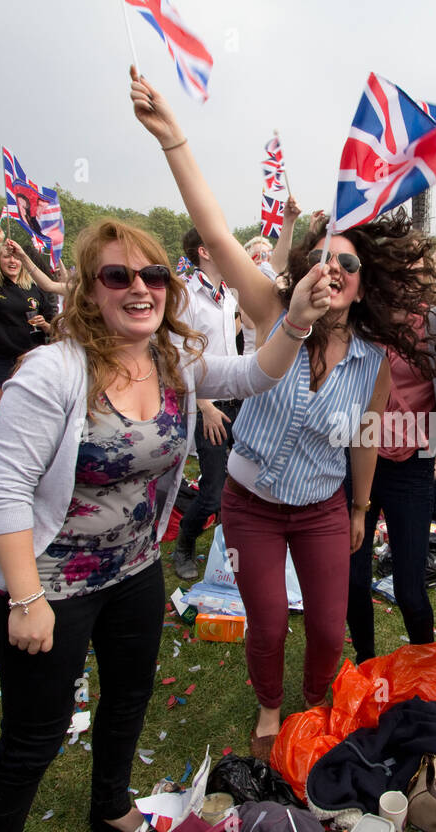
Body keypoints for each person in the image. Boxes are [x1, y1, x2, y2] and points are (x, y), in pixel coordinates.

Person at [0, 217, 332, 832]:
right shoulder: (51, 374)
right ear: (89, 289)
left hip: (134, 571)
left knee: (130, 696)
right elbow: (6, 492)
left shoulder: (173, 361)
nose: (139, 288)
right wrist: (24, 599)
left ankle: (110, 800)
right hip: (51, 583)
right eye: (118, 275)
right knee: (36, 734)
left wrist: (297, 320)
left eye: (152, 274)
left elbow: (255, 374)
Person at [130, 65, 436, 757]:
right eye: (324, 258)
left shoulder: (371, 358)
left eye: (349, 265)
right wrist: (174, 140)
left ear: (363, 290)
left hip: (324, 508)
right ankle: (271, 707)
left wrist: (361, 509)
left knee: (330, 627)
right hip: (252, 503)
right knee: (268, 621)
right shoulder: (271, 312)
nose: (334, 270)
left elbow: (366, 438)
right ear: (305, 268)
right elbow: (213, 236)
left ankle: (313, 702)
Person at [345, 274, 436, 664]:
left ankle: (426, 663)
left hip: (415, 462)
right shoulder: (363, 317)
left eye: (416, 268)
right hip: (360, 453)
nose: (406, 278)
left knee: (410, 587)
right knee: (354, 580)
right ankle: (367, 662)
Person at [170, 226, 241, 580]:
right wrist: (206, 405)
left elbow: (227, 346)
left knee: (240, 484)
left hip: (235, 402)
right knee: (212, 492)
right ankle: (184, 545)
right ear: (205, 251)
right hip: (206, 406)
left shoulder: (227, 295)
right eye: (220, 243)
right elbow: (179, 357)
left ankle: (230, 551)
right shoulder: (186, 295)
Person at [0, 192, 57, 406]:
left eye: (15, 256)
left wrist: (45, 325)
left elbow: (55, 328)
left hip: (35, 361)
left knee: (37, 418)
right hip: (3, 362)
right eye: (6, 256)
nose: (12, 260)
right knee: (7, 420)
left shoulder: (36, 289)